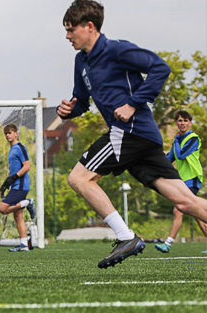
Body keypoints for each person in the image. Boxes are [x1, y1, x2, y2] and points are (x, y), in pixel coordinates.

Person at [57, 0, 207, 268]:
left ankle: (126, 236)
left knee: (79, 178)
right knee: (185, 202)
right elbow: (81, 100)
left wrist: (133, 104)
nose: (67, 36)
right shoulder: (81, 61)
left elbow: (160, 68)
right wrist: (69, 110)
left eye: (71, 29)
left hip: (130, 132)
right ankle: (126, 236)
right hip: (141, 139)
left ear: (89, 26)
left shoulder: (117, 50)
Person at [156, 109, 207, 253]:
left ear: (190, 123)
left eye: (185, 120)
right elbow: (169, 159)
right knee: (196, 213)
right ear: (176, 123)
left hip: (193, 178)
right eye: (180, 120)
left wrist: (176, 141)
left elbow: (181, 155)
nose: (182, 123)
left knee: (179, 209)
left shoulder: (193, 138)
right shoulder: (177, 140)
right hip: (183, 181)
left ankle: (168, 243)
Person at [0, 124, 35, 252]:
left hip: (21, 186)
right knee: (18, 215)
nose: (8, 135)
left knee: (2, 208)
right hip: (15, 186)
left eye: (10, 132)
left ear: (16, 133)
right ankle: (24, 244)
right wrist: (6, 184)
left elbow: (27, 166)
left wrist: (13, 178)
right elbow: (14, 170)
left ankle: (28, 202)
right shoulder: (12, 149)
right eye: (6, 133)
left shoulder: (20, 148)